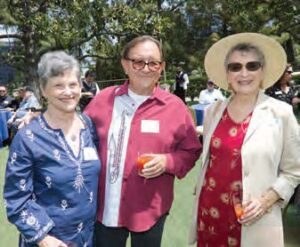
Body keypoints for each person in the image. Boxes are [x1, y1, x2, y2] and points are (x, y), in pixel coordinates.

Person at [85, 35, 201, 247]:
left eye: (153, 62)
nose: (146, 68)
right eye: (138, 61)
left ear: (161, 67)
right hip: (104, 207)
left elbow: (191, 150)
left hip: (149, 208)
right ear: (125, 64)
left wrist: (167, 161)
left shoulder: (175, 107)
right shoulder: (102, 101)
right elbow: (78, 135)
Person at [188, 33, 300, 247]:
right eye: (235, 67)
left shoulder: (281, 113)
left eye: (252, 65)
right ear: (227, 74)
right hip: (210, 215)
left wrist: (266, 201)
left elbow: (294, 170)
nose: (244, 73)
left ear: (262, 71)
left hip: (255, 217)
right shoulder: (213, 111)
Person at [3, 51, 101, 247]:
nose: (68, 92)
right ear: (43, 90)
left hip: (88, 238)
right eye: (58, 85)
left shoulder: (88, 126)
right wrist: (43, 238)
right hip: (48, 240)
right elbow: (16, 200)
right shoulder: (28, 137)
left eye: (73, 84)